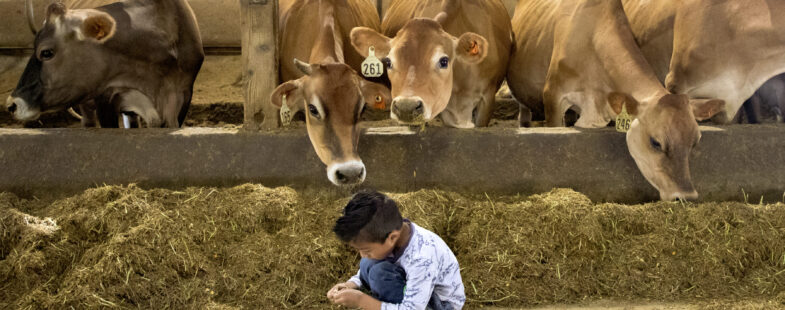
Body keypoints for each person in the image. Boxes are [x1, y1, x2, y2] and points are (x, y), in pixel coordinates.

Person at [327, 190, 465, 310]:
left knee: (379, 274)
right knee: (367, 263)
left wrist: (362, 301)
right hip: (414, 284)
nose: (362, 254)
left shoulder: (422, 259)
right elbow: (367, 262)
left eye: (367, 249)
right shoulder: (393, 233)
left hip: (439, 304)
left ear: (391, 238)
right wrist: (350, 284)